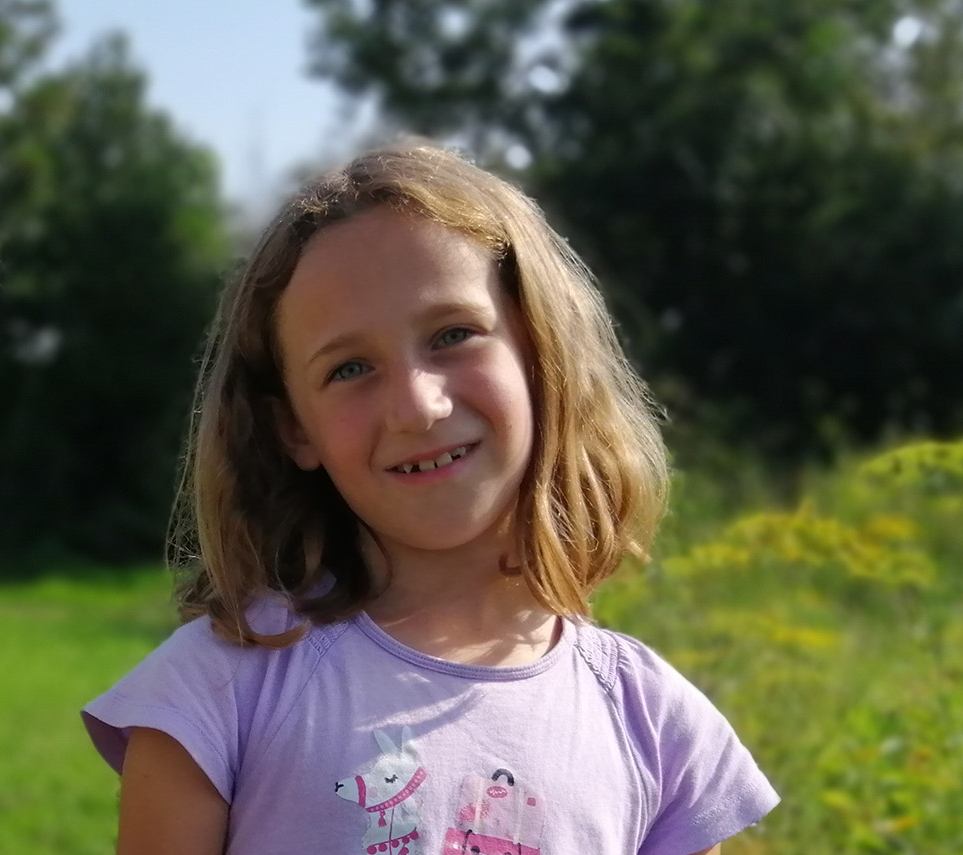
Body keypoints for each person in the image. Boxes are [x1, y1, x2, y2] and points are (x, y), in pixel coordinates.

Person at [82, 144, 778, 855]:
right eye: (350, 368)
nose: (417, 404)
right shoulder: (216, 691)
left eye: (453, 334)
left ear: (542, 353)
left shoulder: (656, 726)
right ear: (292, 427)